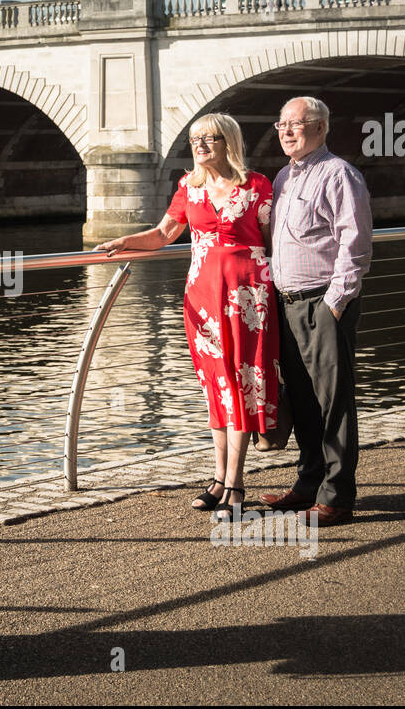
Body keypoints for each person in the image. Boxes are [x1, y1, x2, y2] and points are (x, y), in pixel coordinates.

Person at [95, 113, 279, 520]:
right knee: (215, 385)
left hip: (249, 297)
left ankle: (235, 483)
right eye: (195, 139)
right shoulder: (188, 187)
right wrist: (125, 241)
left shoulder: (256, 185)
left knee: (242, 384)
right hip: (202, 298)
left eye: (210, 138)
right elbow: (163, 235)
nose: (200, 145)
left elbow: (271, 240)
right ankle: (218, 478)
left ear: (228, 141)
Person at [260, 96, 372, 527]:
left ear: (321, 127)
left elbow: (355, 243)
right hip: (287, 304)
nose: (287, 131)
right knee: (303, 401)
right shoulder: (284, 176)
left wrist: (336, 302)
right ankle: (307, 485)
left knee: (333, 403)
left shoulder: (340, 175)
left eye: (297, 124)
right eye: (282, 124)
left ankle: (337, 497)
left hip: (323, 302)